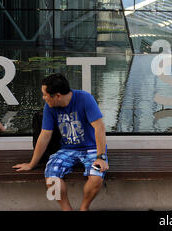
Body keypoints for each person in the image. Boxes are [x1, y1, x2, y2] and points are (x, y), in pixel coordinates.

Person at [13, 73, 109, 211]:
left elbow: (99, 128)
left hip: (92, 148)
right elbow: (45, 135)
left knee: (96, 177)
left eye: (45, 95)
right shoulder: (50, 107)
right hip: (67, 149)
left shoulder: (85, 98)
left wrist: (101, 157)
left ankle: (84, 208)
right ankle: (65, 209)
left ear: (57, 96)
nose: (43, 98)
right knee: (51, 178)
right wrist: (31, 163)